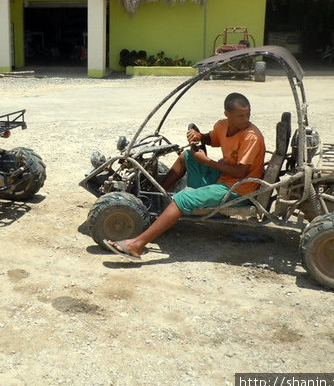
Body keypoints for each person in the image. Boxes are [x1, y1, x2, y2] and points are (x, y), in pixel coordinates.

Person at [104, 92, 266, 261]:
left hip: (239, 189)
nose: (246, 119)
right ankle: (151, 198)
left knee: (183, 199)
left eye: (248, 114)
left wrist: (208, 161)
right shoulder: (223, 125)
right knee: (186, 157)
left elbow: (240, 173)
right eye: (241, 115)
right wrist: (198, 136)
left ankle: (136, 245)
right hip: (224, 177)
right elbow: (211, 138)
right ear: (227, 114)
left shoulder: (251, 136)